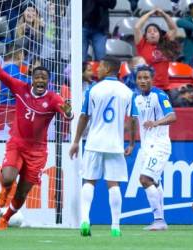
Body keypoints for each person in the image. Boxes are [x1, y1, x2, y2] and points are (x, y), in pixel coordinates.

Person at [0, 36, 73, 230]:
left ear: (48, 81)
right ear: (32, 78)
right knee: (8, 178)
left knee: (22, 193)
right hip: (17, 143)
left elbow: (67, 114)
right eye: (37, 77)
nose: (40, 80)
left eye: (43, 78)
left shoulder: (54, 98)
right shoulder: (20, 88)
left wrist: (69, 113)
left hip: (37, 152)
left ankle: (5, 219)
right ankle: (5, 189)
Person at [69, 56, 134, 237]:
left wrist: (76, 141)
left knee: (89, 181)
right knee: (113, 184)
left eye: (99, 67)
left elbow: (83, 116)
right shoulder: (127, 92)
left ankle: (85, 220)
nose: (96, 70)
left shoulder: (93, 90)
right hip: (115, 144)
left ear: (106, 68)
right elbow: (133, 118)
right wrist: (131, 142)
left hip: (94, 143)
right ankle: (115, 226)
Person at [131, 64, 176, 230]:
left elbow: (172, 116)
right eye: (140, 78)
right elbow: (134, 121)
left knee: (145, 179)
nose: (142, 81)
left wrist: (156, 123)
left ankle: (158, 220)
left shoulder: (159, 95)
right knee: (155, 183)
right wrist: (131, 144)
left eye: (146, 77)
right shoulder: (137, 98)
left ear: (152, 79)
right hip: (146, 147)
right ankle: (160, 220)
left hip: (160, 145)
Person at [134, 8, 179, 90]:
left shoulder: (165, 43)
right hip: (147, 88)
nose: (152, 33)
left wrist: (163, 14)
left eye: (155, 31)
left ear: (160, 35)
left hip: (164, 88)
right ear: (146, 37)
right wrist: (149, 13)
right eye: (149, 31)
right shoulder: (142, 44)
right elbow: (137, 27)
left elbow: (173, 29)